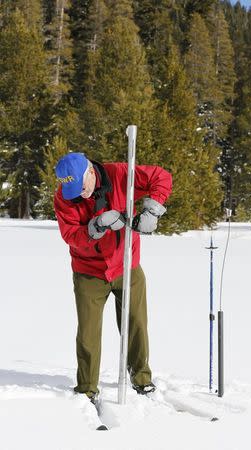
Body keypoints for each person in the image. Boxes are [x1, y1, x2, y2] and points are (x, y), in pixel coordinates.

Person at [54, 152, 172, 402]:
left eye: (81, 186)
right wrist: (94, 227)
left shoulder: (120, 174)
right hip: (88, 272)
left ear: (90, 171)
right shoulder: (65, 195)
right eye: (72, 189)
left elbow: (161, 177)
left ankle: (141, 378)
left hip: (127, 265)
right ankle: (86, 387)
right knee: (88, 332)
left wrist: (152, 210)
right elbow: (70, 235)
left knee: (136, 324)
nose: (79, 193)